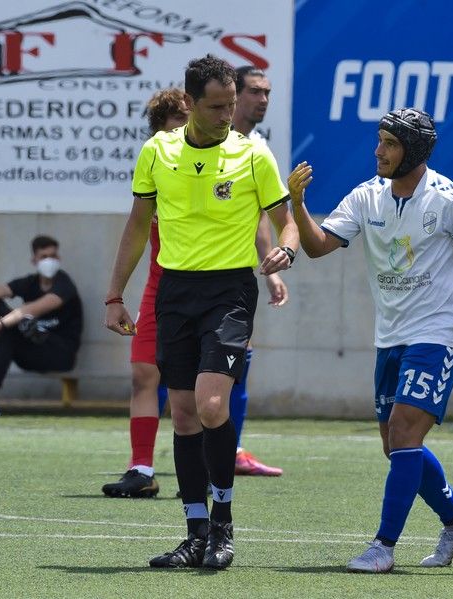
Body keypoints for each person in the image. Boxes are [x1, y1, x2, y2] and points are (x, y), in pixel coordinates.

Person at [287, 108, 453, 573]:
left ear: (412, 150)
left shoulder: (451, 200)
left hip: (438, 335)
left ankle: (383, 547)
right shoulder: (366, 196)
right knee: (396, 446)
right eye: (379, 141)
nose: (378, 150)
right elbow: (316, 247)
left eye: (389, 143)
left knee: (406, 432)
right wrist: (296, 204)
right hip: (390, 337)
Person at [104, 54, 298, 570]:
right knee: (185, 413)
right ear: (189, 103)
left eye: (231, 105)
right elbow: (137, 226)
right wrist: (113, 295)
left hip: (230, 293)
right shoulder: (157, 151)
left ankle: (224, 527)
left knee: (213, 406)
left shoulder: (254, 156)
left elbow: (288, 221)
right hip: (174, 293)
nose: (226, 115)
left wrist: (287, 249)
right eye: (216, 106)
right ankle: (194, 533)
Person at [102, 88, 189, 499]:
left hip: (211, 291)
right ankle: (141, 468)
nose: (185, 130)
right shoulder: (156, 165)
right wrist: (114, 295)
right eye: (177, 122)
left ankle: (202, 469)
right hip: (161, 288)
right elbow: (136, 231)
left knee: (191, 389)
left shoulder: (227, 161)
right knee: (142, 374)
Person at [0, 235, 83, 418]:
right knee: (8, 322)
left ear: (59, 259)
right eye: (44, 257)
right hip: (32, 352)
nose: (49, 261)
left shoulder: (65, 285)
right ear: (34, 260)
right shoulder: (29, 282)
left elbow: (33, 308)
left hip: (60, 353)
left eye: (53, 256)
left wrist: (0, 324)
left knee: (19, 324)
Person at [229, 65, 285, 476]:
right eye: (254, 91)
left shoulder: (259, 147)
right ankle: (144, 460)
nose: (263, 99)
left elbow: (264, 215)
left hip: (238, 277)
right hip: (191, 271)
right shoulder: (202, 141)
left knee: (238, 360)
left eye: (267, 92)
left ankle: (232, 447)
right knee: (178, 368)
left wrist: (270, 269)